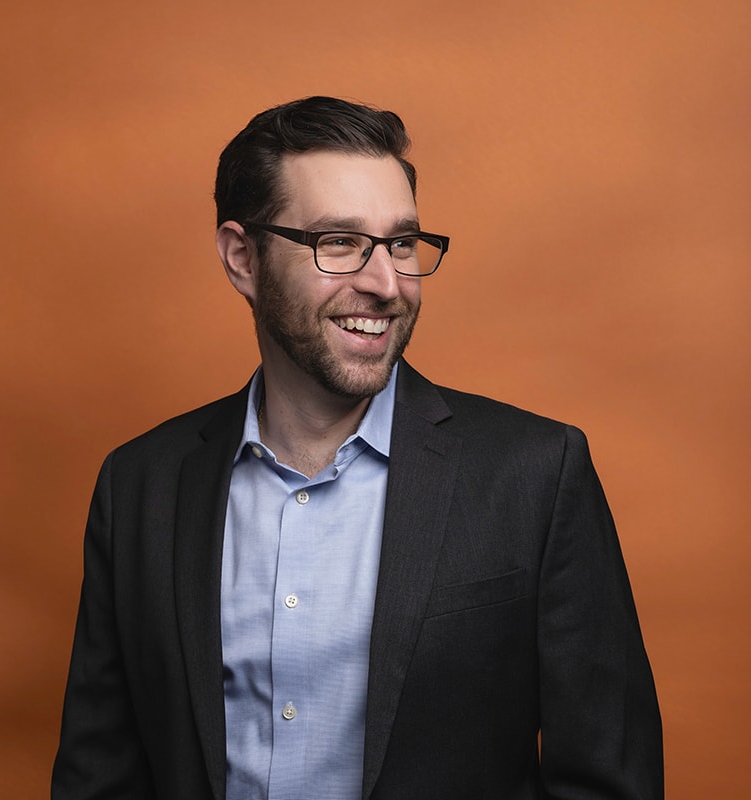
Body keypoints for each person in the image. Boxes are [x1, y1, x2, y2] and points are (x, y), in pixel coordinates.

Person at [52, 96, 663, 799]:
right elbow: (97, 778)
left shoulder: (534, 475)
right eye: (338, 242)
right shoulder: (140, 487)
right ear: (242, 258)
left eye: (402, 243)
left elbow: (612, 780)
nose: (384, 284)